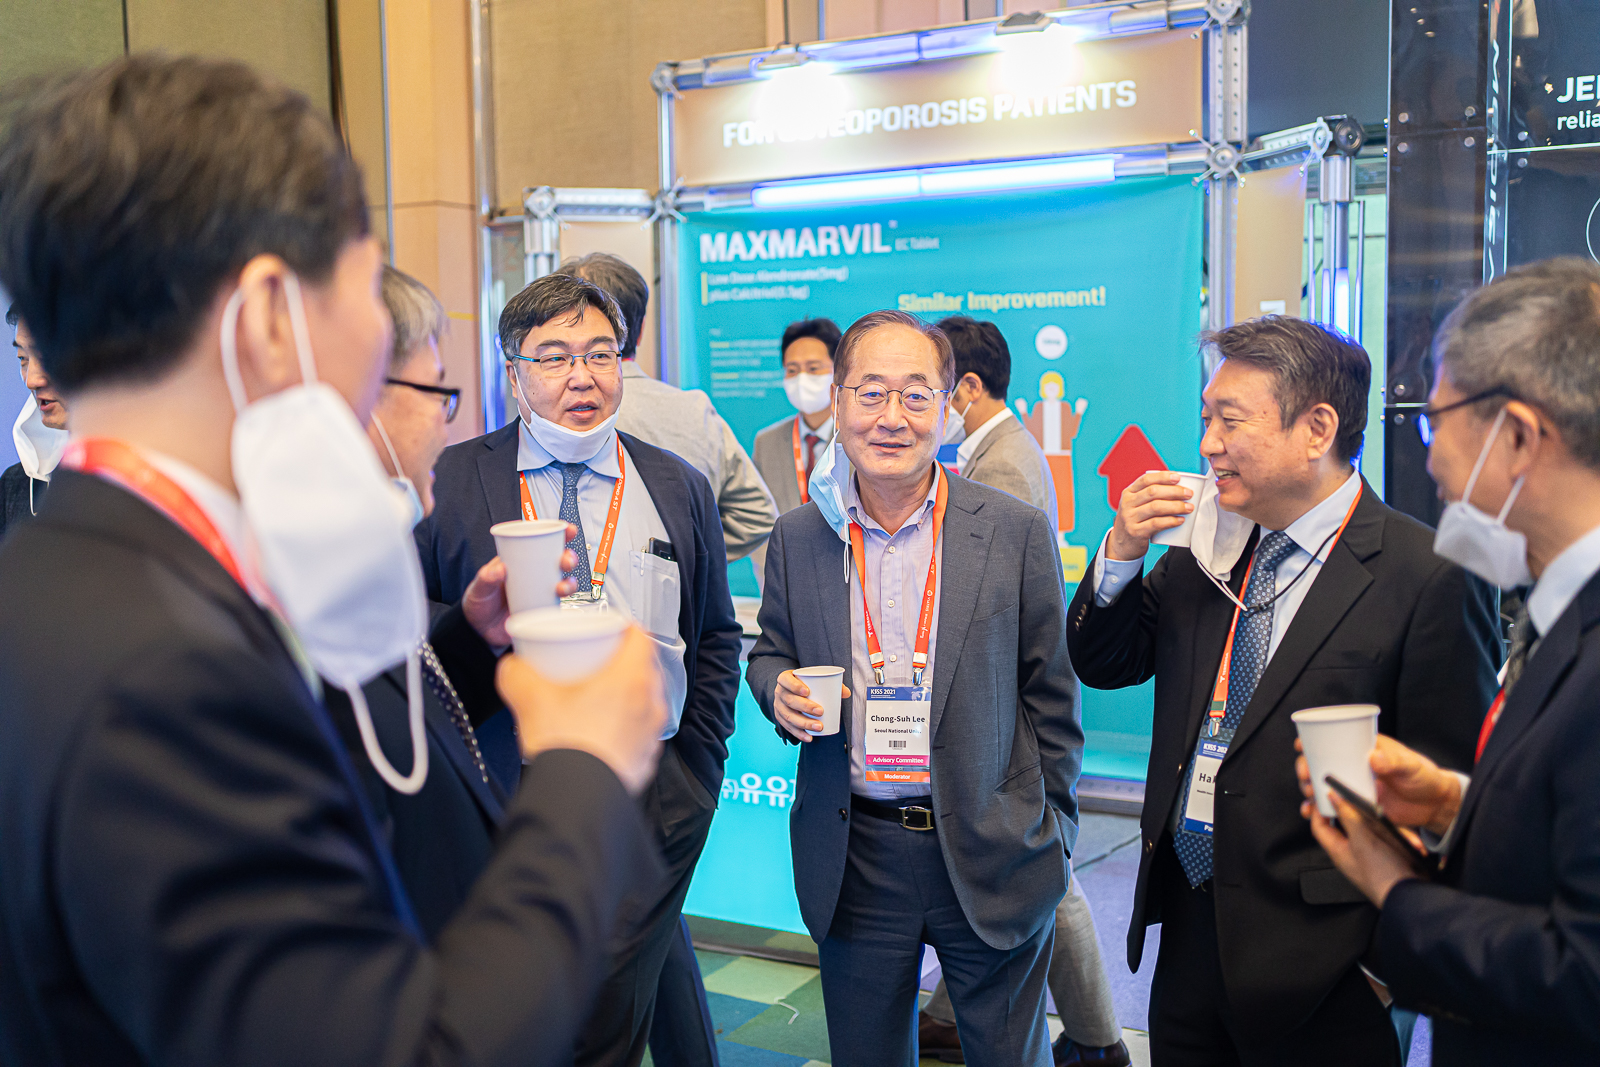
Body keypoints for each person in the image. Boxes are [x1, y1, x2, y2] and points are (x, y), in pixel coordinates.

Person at [0, 54, 666, 1067]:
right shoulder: (166, 676)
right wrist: (585, 764)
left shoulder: (79, 575)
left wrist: (459, 643)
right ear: (272, 312)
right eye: (364, 279)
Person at [1066, 315, 1500, 1066]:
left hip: (1328, 961)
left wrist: (1380, 969)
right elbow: (1106, 661)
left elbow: (1455, 790)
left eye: (1230, 421)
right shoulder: (1206, 546)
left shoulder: (1426, 575)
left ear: (1317, 429)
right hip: (1189, 929)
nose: (1207, 444)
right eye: (1206, 418)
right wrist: (1122, 551)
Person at [416, 271, 743, 1067]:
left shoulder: (676, 482)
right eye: (556, 357)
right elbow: (412, 627)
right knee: (512, 1006)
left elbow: (714, 636)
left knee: (609, 1013)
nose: (583, 377)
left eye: (601, 354)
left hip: (650, 788)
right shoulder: (453, 479)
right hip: (502, 786)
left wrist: (694, 772)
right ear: (514, 370)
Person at [748, 309, 1084, 1067]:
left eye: (915, 394)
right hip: (855, 852)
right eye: (870, 393)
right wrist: (777, 689)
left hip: (992, 844)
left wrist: (1054, 834)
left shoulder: (1012, 529)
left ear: (948, 403)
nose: (891, 417)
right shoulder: (800, 535)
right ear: (838, 403)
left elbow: (1053, 698)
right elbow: (770, 651)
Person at [1298, 257, 1600, 1066]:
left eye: (1435, 422)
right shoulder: (1559, 614)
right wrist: (1455, 806)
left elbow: (1583, 974)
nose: (1428, 459)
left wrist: (1395, 890)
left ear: (1519, 436)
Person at [919, 315, 1125, 1067]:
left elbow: (989, 607)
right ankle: (954, 1013)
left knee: (1044, 875)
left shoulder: (1001, 464)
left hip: (1005, 701)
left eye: (930, 388)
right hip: (1002, 697)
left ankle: (1098, 1039)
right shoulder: (997, 449)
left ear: (966, 388)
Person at [562, 251, 776, 563]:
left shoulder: (561, 412)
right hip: (684, 593)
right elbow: (757, 514)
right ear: (641, 329)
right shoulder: (695, 410)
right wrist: (683, 558)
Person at [933, 316, 1057, 519]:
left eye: (942, 392)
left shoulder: (1000, 467)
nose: (935, 405)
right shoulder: (1010, 443)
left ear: (972, 387)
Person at [753, 317, 841, 515]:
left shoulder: (858, 437)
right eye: (792, 370)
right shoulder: (766, 443)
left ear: (838, 371)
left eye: (813, 368)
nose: (802, 378)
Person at [2, 305, 69, 538]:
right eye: (23, 358)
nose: (31, 380)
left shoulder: (147, 481)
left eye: (45, 355)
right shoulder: (14, 487)